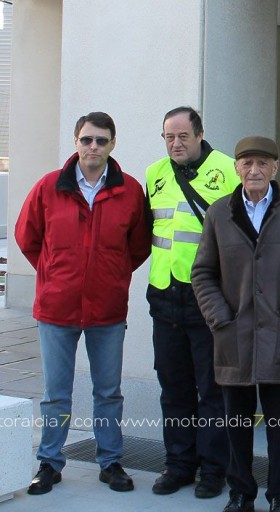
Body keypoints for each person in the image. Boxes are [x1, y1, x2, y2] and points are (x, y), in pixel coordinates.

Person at [15, 112, 151, 494]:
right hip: (57, 310)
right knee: (56, 392)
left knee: (108, 391)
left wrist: (113, 275)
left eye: (102, 140)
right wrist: (54, 273)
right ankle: (50, 462)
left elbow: (137, 247)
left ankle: (110, 462)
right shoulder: (48, 187)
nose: (94, 147)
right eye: (87, 139)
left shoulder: (129, 191)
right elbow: (28, 237)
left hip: (107, 311)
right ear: (76, 142)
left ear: (113, 144)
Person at [191, 136, 280, 512]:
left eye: (262, 163)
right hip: (234, 337)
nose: (254, 170)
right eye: (247, 163)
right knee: (237, 425)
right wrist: (220, 319)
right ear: (236, 168)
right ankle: (240, 494)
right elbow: (203, 273)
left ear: (275, 168)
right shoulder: (219, 213)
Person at [145, 106, 236, 498]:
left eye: (183, 136)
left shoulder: (229, 170)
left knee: (213, 391)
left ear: (200, 134)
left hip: (207, 297)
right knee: (174, 388)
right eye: (169, 136)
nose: (175, 143)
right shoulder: (154, 174)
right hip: (164, 297)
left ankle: (213, 469)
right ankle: (179, 463)